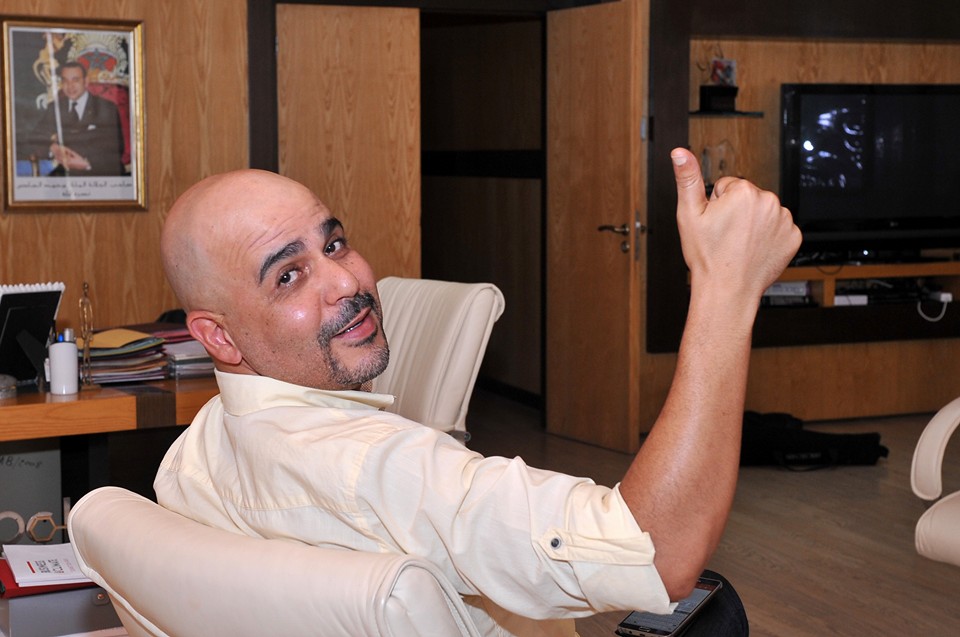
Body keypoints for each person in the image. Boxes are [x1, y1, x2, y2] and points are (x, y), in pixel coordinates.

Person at [155, 148, 801, 636]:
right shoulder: (380, 468)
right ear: (219, 336)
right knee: (711, 607)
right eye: (289, 275)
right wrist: (727, 287)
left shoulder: (189, 458)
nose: (347, 282)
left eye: (335, 244)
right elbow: (656, 553)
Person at [27, 61, 125, 176]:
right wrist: (52, 149)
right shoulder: (55, 107)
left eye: (75, 80)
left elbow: (116, 146)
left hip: (98, 172)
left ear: (86, 81)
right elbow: (36, 136)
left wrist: (87, 164)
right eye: (65, 81)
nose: (70, 86)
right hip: (62, 173)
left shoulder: (105, 107)